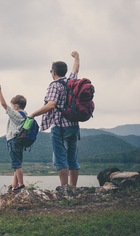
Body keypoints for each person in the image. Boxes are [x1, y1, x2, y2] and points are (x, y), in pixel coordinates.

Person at [29, 51, 80, 187]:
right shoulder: (72, 82)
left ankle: (64, 188)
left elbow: (51, 104)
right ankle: (73, 188)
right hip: (74, 126)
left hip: (60, 127)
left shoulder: (55, 85)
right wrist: (76, 57)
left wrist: (33, 114)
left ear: (53, 72)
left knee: (60, 158)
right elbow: (75, 69)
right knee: (72, 158)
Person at [0, 85, 27, 191]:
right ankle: (14, 184)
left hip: (13, 140)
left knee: (17, 165)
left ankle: (21, 184)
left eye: (12, 105)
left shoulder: (16, 114)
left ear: (16, 106)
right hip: (19, 141)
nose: (11, 107)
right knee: (16, 164)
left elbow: (3, 104)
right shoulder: (25, 115)